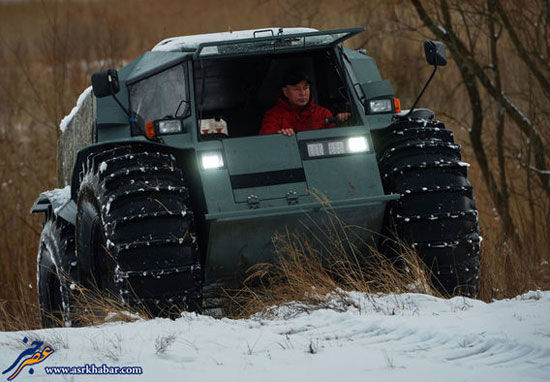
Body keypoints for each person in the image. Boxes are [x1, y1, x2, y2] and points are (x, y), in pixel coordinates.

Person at [259, 69, 350, 136]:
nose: (302, 93)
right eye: (296, 89)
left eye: (305, 88)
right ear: (285, 92)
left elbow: (335, 140)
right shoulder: (273, 115)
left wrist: (342, 124)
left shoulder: (323, 113)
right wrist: (279, 136)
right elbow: (266, 142)